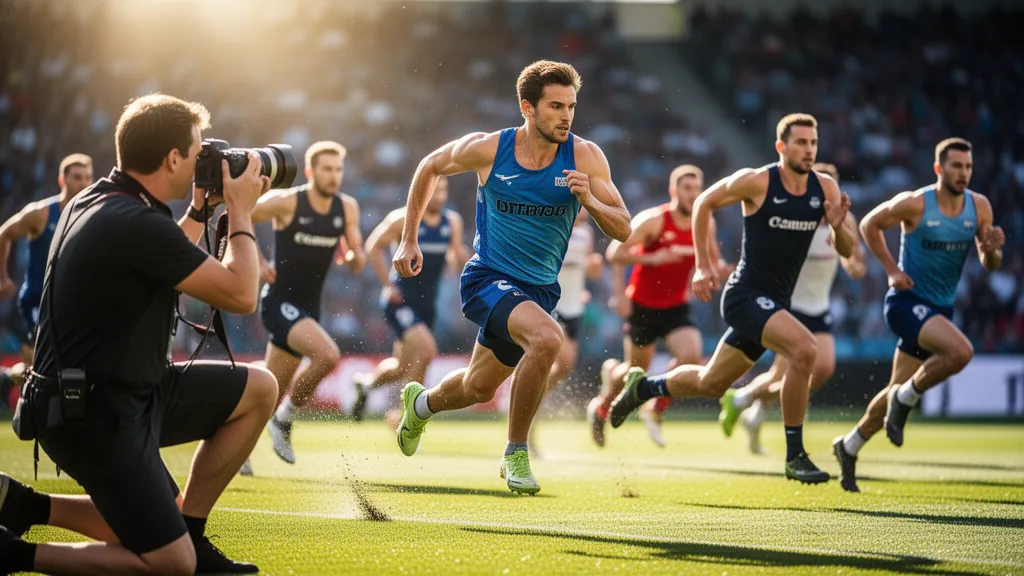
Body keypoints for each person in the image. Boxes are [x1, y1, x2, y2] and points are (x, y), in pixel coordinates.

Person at [0, 93, 277, 575]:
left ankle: (27, 507)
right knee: (170, 564)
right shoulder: (135, 222)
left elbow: (161, 255)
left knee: (259, 389)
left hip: (116, 392)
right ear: (172, 158)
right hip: (96, 412)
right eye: (196, 154)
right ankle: (14, 554)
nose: (201, 164)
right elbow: (241, 294)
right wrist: (242, 212)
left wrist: (198, 212)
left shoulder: (99, 200)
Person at [390, 60, 631, 495]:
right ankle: (515, 452)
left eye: (571, 107)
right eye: (555, 106)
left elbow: (623, 227)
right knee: (549, 340)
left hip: (537, 289)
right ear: (527, 107)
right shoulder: (490, 149)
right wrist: (409, 240)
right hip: (487, 278)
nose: (566, 116)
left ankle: (421, 404)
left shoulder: (586, 156)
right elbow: (429, 166)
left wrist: (590, 201)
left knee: (477, 387)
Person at [608, 113, 855, 484]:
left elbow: (847, 250)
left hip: (775, 303)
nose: (808, 150)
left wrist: (837, 225)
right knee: (805, 349)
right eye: (801, 142)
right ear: (781, 147)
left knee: (711, 384)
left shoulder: (826, 191)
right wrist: (704, 266)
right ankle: (795, 455)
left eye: (813, 143)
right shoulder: (757, 181)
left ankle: (644, 387)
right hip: (745, 296)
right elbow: (705, 203)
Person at [833, 138, 1004, 492]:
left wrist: (992, 251)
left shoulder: (980, 207)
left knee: (894, 389)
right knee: (960, 352)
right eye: (956, 166)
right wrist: (892, 270)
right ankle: (907, 399)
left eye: (968, 167)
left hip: (939, 309)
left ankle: (849, 446)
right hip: (906, 303)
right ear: (939, 169)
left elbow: (990, 263)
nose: (963, 173)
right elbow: (869, 224)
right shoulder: (915, 203)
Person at [721, 162, 866, 455]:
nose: (829, 198)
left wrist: (853, 262)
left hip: (820, 305)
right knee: (783, 374)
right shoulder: (799, 215)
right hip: (790, 305)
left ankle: (747, 401)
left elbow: (856, 261)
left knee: (822, 370)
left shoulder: (843, 218)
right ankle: (748, 406)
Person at [588, 165, 729, 448]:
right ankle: (601, 406)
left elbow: (714, 262)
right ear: (673, 191)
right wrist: (625, 289)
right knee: (634, 371)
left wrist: (734, 271)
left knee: (691, 355)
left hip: (677, 305)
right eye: (687, 188)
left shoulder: (706, 222)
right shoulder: (653, 220)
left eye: (697, 188)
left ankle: (655, 408)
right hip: (643, 304)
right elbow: (615, 253)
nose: (693, 194)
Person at [250, 141, 365, 466]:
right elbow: (237, 212)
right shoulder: (287, 202)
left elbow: (357, 260)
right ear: (312, 172)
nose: (334, 176)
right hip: (278, 303)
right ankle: (285, 420)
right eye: (327, 169)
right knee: (328, 355)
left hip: (309, 308)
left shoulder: (347, 208)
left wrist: (356, 256)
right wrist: (256, 259)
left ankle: (232, 440)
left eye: (338, 170)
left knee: (268, 393)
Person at [352, 175, 469, 424]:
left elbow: (453, 256)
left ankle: (366, 384)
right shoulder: (403, 219)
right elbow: (373, 246)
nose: (439, 196)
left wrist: (460, 258)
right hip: (400, 300)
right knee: (426, 351)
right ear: (423, 191)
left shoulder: (452, 221)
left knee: (402, 367)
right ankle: (407, 418)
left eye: (443, 190)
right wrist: (387, 284)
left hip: (428, 303)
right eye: (434, 190)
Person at [0, 154, 94, 365]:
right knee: (36, 369)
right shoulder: (41, 214)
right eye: (77, 177)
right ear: (62, 180)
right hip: (36, 303)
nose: (83, 183)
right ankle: (12, 382)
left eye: (88, 177)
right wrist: (2, 277)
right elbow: (4, 233)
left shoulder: (93, 217)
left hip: (70, 307)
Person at [529, 208, 603, 455]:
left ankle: (532, 393)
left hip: (574, 307)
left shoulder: (586, 233)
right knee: (552, 357)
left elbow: (591, 270)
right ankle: (528, 425)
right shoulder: (549, 225)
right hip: (551, 303)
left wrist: (594, 266)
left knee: (566, 364)